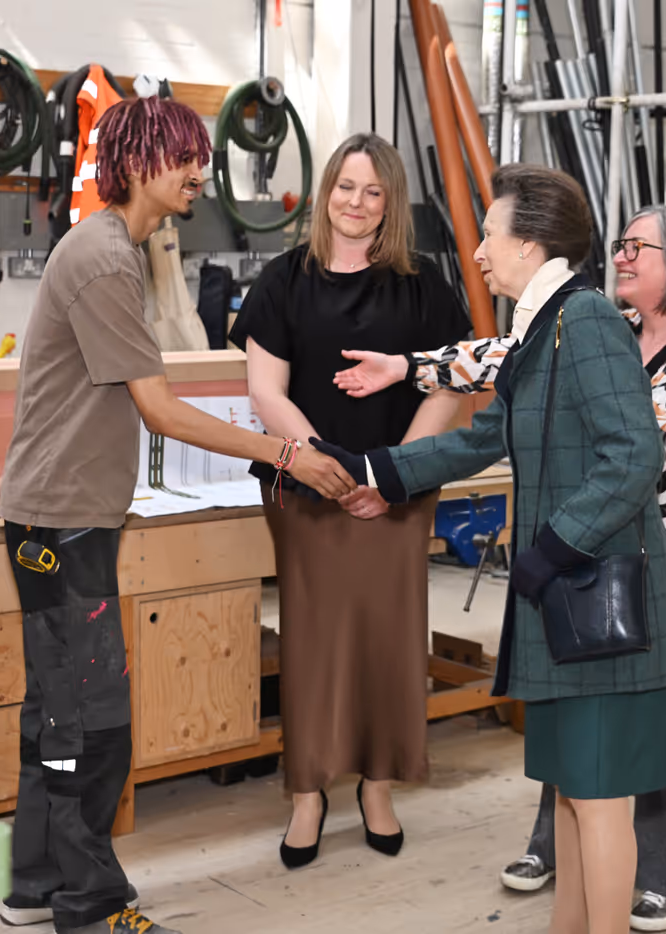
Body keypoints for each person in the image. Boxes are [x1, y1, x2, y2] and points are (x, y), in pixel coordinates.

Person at [0, 96, 355, 934]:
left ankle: (36, 885)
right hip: (65, 524)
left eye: (200, 158)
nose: (199, 173)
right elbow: (159, 408)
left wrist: (20, 471)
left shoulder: (111, 248)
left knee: (56, 708)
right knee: (90, 719)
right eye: (184, 157)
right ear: (138, 162)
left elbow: (49, 380)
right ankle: (90, 902)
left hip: (55, 513)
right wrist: (286, 454)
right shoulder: (105, 257)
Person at [337, 205, 666, 930]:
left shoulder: (645, 338)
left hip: (645, 583)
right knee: (580, 786)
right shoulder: (574, 325)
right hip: (580, 586)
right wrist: (384, 454)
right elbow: (494, 396)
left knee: (634, 774)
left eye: (639, 246)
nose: (622, 255)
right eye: (620, 243)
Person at [227, 133, 469, 869]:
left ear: (390, 202)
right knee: (313, 642)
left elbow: (449, 387)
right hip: (307, 489)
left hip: (396, 494)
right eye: (345, 187)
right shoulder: (283, 280)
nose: (356, 203)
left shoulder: (422, 284)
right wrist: (327, 467)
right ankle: (307, 791)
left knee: (390, 640)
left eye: (373, 191)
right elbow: (265, 391)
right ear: (326, 189)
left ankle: (378, 784)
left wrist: (393, 473)